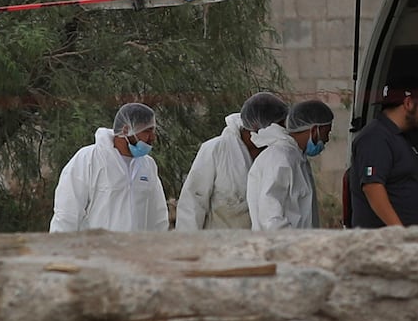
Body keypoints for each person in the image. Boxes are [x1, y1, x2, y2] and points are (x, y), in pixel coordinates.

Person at [49, 102, 170, 233]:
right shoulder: (89, 159)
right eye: (147, 131)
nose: (152, 137)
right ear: (126, 130)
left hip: (136, 251)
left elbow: (158, 216)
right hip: (97, 250)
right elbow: (67, 214)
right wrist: (60, 249)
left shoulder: (148, 165)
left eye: (153, 131)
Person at [175, 92, 289, 230]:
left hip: (259, 245)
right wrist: (189, 248)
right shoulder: (215, 150)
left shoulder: (275, 155)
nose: (282, 132)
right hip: (217, 245)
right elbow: (193, 203)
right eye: (278, 127)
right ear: (257, 126)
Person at [349, 78, 418, 228]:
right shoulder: (375, 138)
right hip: (385, 244)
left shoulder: (402, 140)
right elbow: (372, 187)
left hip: (406, 242)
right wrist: (399, 232)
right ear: (408, 103)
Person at [246, 99, 334, 230]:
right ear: (315, 130)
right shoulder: (279, 158)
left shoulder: (296, 157)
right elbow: (270, 217)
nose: (326, 139)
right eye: (326, 133)